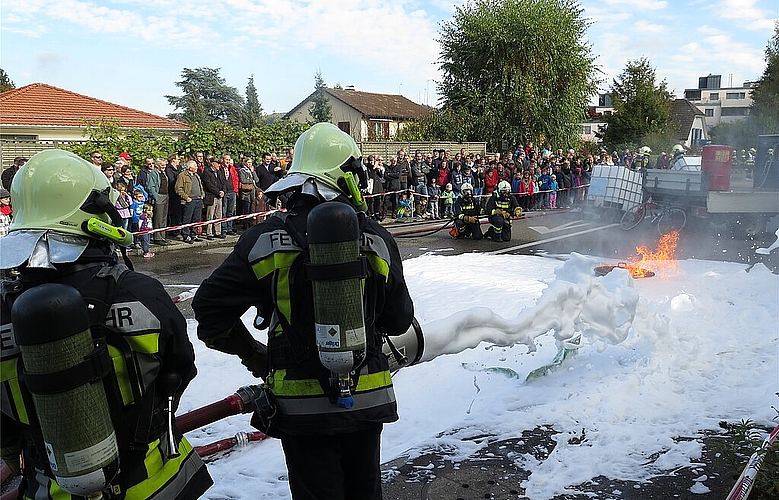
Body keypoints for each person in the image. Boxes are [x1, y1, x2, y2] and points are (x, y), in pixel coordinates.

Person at [192, 123, 415, 500]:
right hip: (367, 398)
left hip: (300, 409)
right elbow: (399, 320)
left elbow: (210, 313)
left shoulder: (264, 240)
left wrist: (254, 355)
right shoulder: (377, 237)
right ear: (348, 177)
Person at [0, 149, 212, 499]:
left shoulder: (5, 310)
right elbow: (181, 367)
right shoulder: (139, 293)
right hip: (152, 483)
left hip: (50, 488)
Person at [175, 159, 205, 243]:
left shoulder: (196, 175)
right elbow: (178, 189)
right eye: (195, 166)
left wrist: (202, 194)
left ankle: (194, 234)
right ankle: (186, 235)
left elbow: (200, 186)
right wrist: (186, 197)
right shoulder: (182, 176)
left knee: (196, 218)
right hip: (189, 200)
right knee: (187, 219)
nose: (196, 167)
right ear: (190, 167)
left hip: (198, 199)